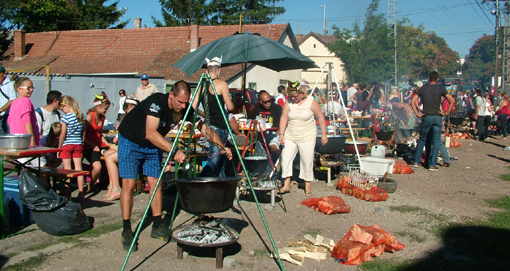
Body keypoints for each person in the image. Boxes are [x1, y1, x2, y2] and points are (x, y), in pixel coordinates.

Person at [118, 80, 232, 251]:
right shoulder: (157, 102)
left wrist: (222, 146)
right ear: (171, 95)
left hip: (152, 144)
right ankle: (126, 229)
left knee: (156, 183)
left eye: (186, 103)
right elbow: (150, 132)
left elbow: (203, 128)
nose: (182, 106)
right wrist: (175, 150)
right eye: (180, 102)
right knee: (130, 184)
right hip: (131, 139)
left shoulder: (184, 107)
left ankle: (157, 225)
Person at [279, 81, 328, 197]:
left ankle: (307, 185)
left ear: (301, 93)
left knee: (307, 160)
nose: (294, 98)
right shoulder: (289, 102)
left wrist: (324, 134)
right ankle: (286, 184)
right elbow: (284, 118)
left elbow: (321, 117)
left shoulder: (311, 101)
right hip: (291, 134)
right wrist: (281, 134)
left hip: (307, 135)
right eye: (292, 96)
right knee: (286, 157)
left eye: (296, 96)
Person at [192, 56, 234, 177]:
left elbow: (193, 107)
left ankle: (220, 191)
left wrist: (204, 114)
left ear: (206, 71)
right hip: (220, 126)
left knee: (220, 162)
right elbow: (230, 107)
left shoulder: (202, 86)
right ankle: (200, 184)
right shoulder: (222, 84)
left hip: (209, 127)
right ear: (219, 70)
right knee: (214, 162)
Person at [410, 71, 454, 171]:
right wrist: (446, 113)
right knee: (436, 140)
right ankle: (432, 164)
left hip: (427, 115)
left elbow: (412, 101)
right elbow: (452, 100)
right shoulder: (441, 89)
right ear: (437, 79)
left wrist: (417, 114)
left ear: (429, 78)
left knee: (422, 139)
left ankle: (416, 161)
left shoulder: (423, 89)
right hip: (437, 117)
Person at [103, 97, 139, 202]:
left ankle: (116, 188)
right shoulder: (131, 119)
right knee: (108, 154)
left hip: (134, 151)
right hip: (130, 148)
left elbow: (118, 139)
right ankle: (112, 185)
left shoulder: (133, 120)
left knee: (110, 158)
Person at [58, 96, 86, 201]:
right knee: (78, 169)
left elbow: (62, 134)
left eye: (62, 108)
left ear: (66, 106)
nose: (63, 111)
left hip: (67, 144)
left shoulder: (66, 118)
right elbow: (84, 131)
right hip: (78, 143)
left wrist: (59, 146)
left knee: (68, 170)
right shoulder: (81, 116)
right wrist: (82, 140)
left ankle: (67, 194)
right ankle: (81, 193)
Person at [83, 92, 112, 191]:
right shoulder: (90, 116)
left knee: (114, 154)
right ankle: (91, 184)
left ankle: (110, 183)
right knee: (97, 167)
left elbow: (99, 134)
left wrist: (108, 143)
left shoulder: (102, 117)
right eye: (105, 108)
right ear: (98, 107)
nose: (107, 110)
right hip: (89, 146)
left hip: (99, 144)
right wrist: (92, 145)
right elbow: (82, 135)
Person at [249, 91, 283, 166]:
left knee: (273, 147)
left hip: (274, 133)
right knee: (249, 145)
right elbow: (252, 120)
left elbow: (285, 120)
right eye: (265, 102)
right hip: (261, 133)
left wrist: (280, 130)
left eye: (269, 101)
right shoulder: (258, 108)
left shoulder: (277, 108)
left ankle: (278, 165)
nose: (268, 103)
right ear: (260, 101)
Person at [8, 76, 40, 147]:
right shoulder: (25, 101)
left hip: (16, 142)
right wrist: (32, 139)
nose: (31, 90)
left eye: (32, 88)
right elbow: (27, 121)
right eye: (28, 88)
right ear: (19, 89)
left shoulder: (14, 102)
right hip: (27, 142)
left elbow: (9, 122)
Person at [0, 65, 16, 134]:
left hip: (5, 117)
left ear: (4, 74)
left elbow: (12, 100)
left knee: (5, 138)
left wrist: (1, 110)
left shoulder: (10, 84)